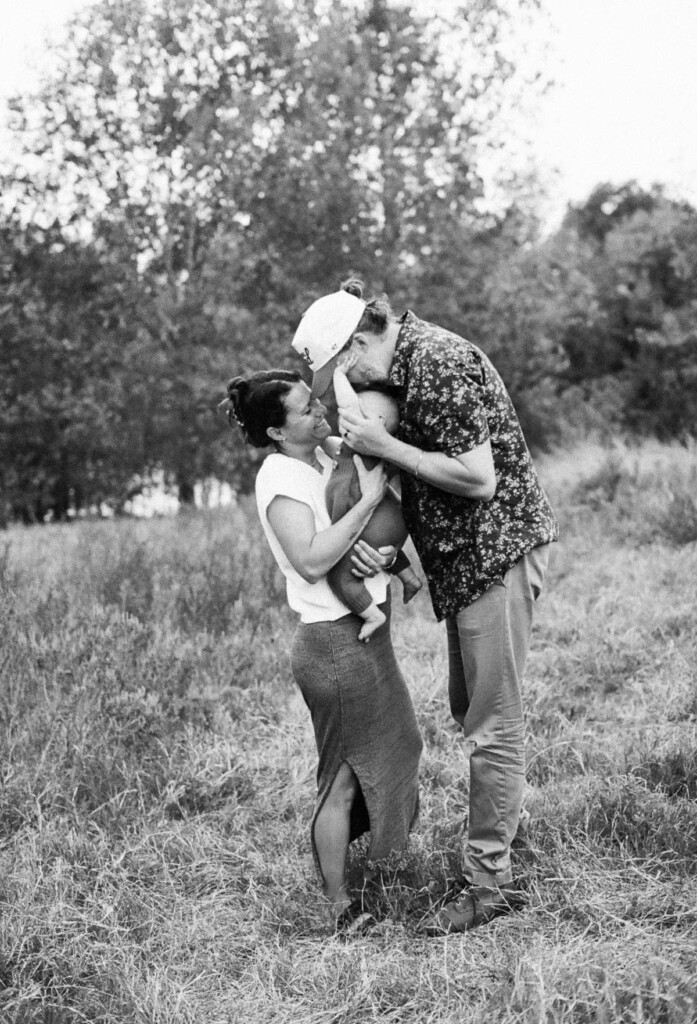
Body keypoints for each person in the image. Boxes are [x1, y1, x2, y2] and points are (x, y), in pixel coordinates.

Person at [291, 279, 559, 934]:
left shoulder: (435, 362)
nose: (340, 386)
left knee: (493, 726)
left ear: (357, 342)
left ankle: (488, 885)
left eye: (337, 370)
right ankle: (496, 848)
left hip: (493, 557)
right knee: (475, 714)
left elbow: (476, 477)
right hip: (463, 567)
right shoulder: (402, 369)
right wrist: (385, 552)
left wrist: (384, 449)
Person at [221, 369, 422, 932]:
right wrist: (371, 505)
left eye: (316, 402)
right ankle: (338, 905)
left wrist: (381, 558)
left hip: (363, 635)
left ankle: (380, 867)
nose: (320, 412)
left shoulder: (319, 460)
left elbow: (352, 540)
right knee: (342, 776)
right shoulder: (279, 476)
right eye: (306, 410)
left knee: (400, 744)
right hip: (332, 644)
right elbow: (311, 559)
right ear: (278, 432)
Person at [325, 367, 422, 642]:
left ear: (377, 424)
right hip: (391, 516)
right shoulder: (372, 448)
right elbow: (331, 445)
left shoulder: (364, 445)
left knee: (341, 576)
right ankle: (409, 577)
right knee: (374, 543)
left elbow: (346, 403)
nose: (346, 416)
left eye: (357, 413)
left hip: (379, 517)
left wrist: (338, 374)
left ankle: (371, 614)